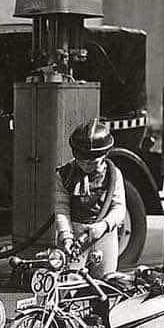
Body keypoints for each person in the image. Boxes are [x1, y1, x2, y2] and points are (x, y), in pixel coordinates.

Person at [53, 119, 126, 277]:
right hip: (74, 235)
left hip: (103, 235)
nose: (86, 165)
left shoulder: (113, 175)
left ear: (105, 154)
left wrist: (103, 226)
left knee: (106, 285)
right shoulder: (64, 175)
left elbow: (119, 208)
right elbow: (61, 208)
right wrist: (66, 236)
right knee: (67, 284)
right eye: (82, 161)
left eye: (93, 162)